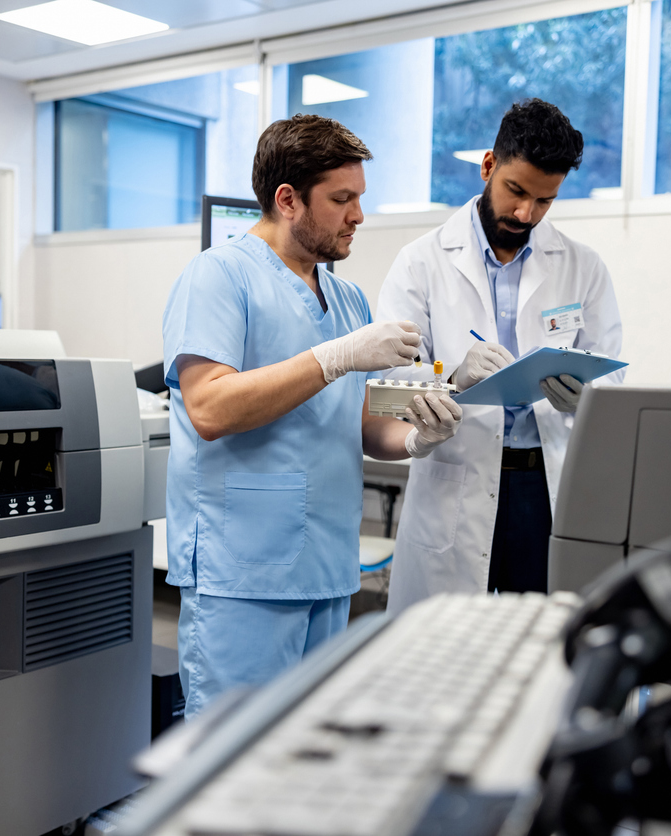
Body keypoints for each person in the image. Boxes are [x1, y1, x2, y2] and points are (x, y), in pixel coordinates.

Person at [162, 115, 463, 718]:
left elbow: (360, 420)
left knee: (298, 753)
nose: (357, 216)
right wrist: (333, 357)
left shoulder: (347, 297)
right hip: (244, 569)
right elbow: (210, 408)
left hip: (326, 565)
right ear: (288, 200)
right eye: (342, 199)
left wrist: (417, 437)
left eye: (359, 199)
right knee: (230, 759)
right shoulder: (219, 276)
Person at [376, 98, 624, 613]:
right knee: (445, 648)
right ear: (489, 166)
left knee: (538, 644)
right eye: (516, 191)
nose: (525, 213)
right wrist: (452, 379)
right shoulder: (420, 262)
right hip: (455, 474)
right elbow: (391, 381)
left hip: (544, 482)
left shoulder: (583, 267)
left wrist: (585, 397)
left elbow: (611, 374)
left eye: (544, 201)